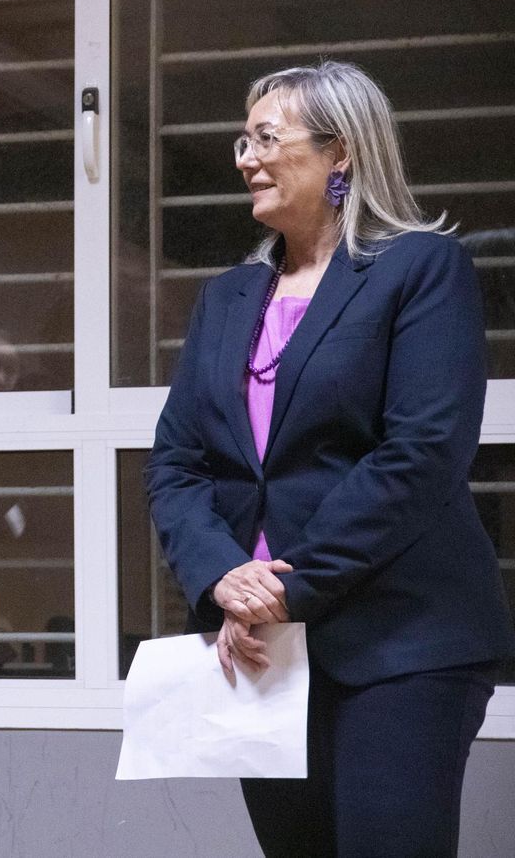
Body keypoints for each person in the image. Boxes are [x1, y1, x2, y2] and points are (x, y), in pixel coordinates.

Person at [146, 60, 515, 857]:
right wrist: (219, 576)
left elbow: (419, 454)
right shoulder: (228, 298)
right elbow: (177, 462)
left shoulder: (420, 269)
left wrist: (283, 588)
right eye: (242, 139)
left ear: (340, 152)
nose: (245, 157)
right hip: (264, 652)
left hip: (401, 642)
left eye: (266, 137)